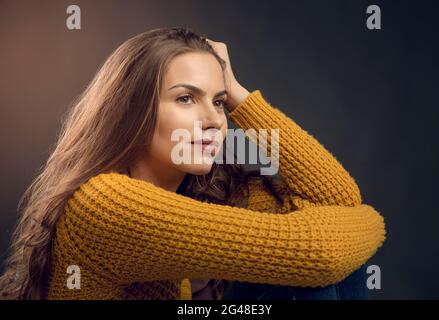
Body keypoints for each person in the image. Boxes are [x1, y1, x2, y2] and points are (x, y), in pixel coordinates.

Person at [0, 27, 386, 300]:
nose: (215, 120)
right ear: (132, 113)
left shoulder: (204, 190)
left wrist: (239, 95)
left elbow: (337, 198)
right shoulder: (105, 205)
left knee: (325, 272)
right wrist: (373, 220)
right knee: (321, 270)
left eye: (218, 102)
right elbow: (321, 253)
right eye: (186, 98)